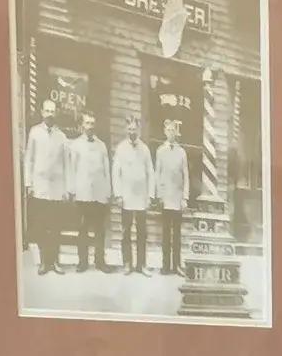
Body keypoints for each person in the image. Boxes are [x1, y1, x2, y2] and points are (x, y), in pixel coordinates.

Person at [23, 101, 69, 274]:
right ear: (42, 112)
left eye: (52, 111)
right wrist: (29, 183)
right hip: (40, 185)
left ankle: (55, 262)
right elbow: (29, 159)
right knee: (42, 226)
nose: (50, 114)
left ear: (56, 113)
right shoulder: (35, 132)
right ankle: (43, 262)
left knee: (56, 226)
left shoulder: (62, 136)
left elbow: (66, 164)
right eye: (47, 110)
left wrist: (66, 187)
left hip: (57, 187)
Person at [67, 112, 112, 272]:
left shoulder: (102, 145)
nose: (90, 126)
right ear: (82, 126)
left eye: (93, 123)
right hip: (83, 193)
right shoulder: (75, 145)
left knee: (100, 230)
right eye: (87, 123)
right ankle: (83, 262)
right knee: (83, 229)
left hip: (99, 194)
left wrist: (108, 190)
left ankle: (100, 261)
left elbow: (106, 169)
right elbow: (71, 169)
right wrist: (71, 190)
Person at [111, 117, 155, 275]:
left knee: (142, 233)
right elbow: (116, 173)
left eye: (134, 129)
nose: (131, 132)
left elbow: (150, 172)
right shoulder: (121, 149)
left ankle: (141, 265)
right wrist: (118, 195)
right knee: (126, 232)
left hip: (141, 197)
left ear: (139, 130)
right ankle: (128, 263)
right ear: (126, 130)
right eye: (129, 129)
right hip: (126, 196)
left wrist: (150, 196)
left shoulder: (145, 149)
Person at [152, 119, 193, 277]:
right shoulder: (160, 151)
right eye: (168, 130)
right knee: (165, 234)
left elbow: (186, 176)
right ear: (165, 132)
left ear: (177, 133)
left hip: (177, 199)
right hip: (165, 198)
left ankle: (176, 265)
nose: (171, 133)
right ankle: (165, 265)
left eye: (173, 130)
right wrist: (159, 196)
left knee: (176, 234)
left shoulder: (181, 152)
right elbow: (158, 174)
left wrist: (185, 197)